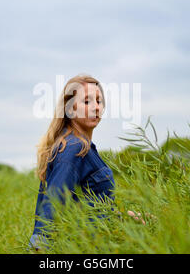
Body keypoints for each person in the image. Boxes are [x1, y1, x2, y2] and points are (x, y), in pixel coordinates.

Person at [28, 74, 146, 251]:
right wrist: (39, 245)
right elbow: (52, 206)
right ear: (70, 109)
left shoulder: (84, 148)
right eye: (87, 102)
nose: (95, 108)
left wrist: (124, 216)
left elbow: (86, 208)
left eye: (98, 101)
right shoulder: (73, 149)